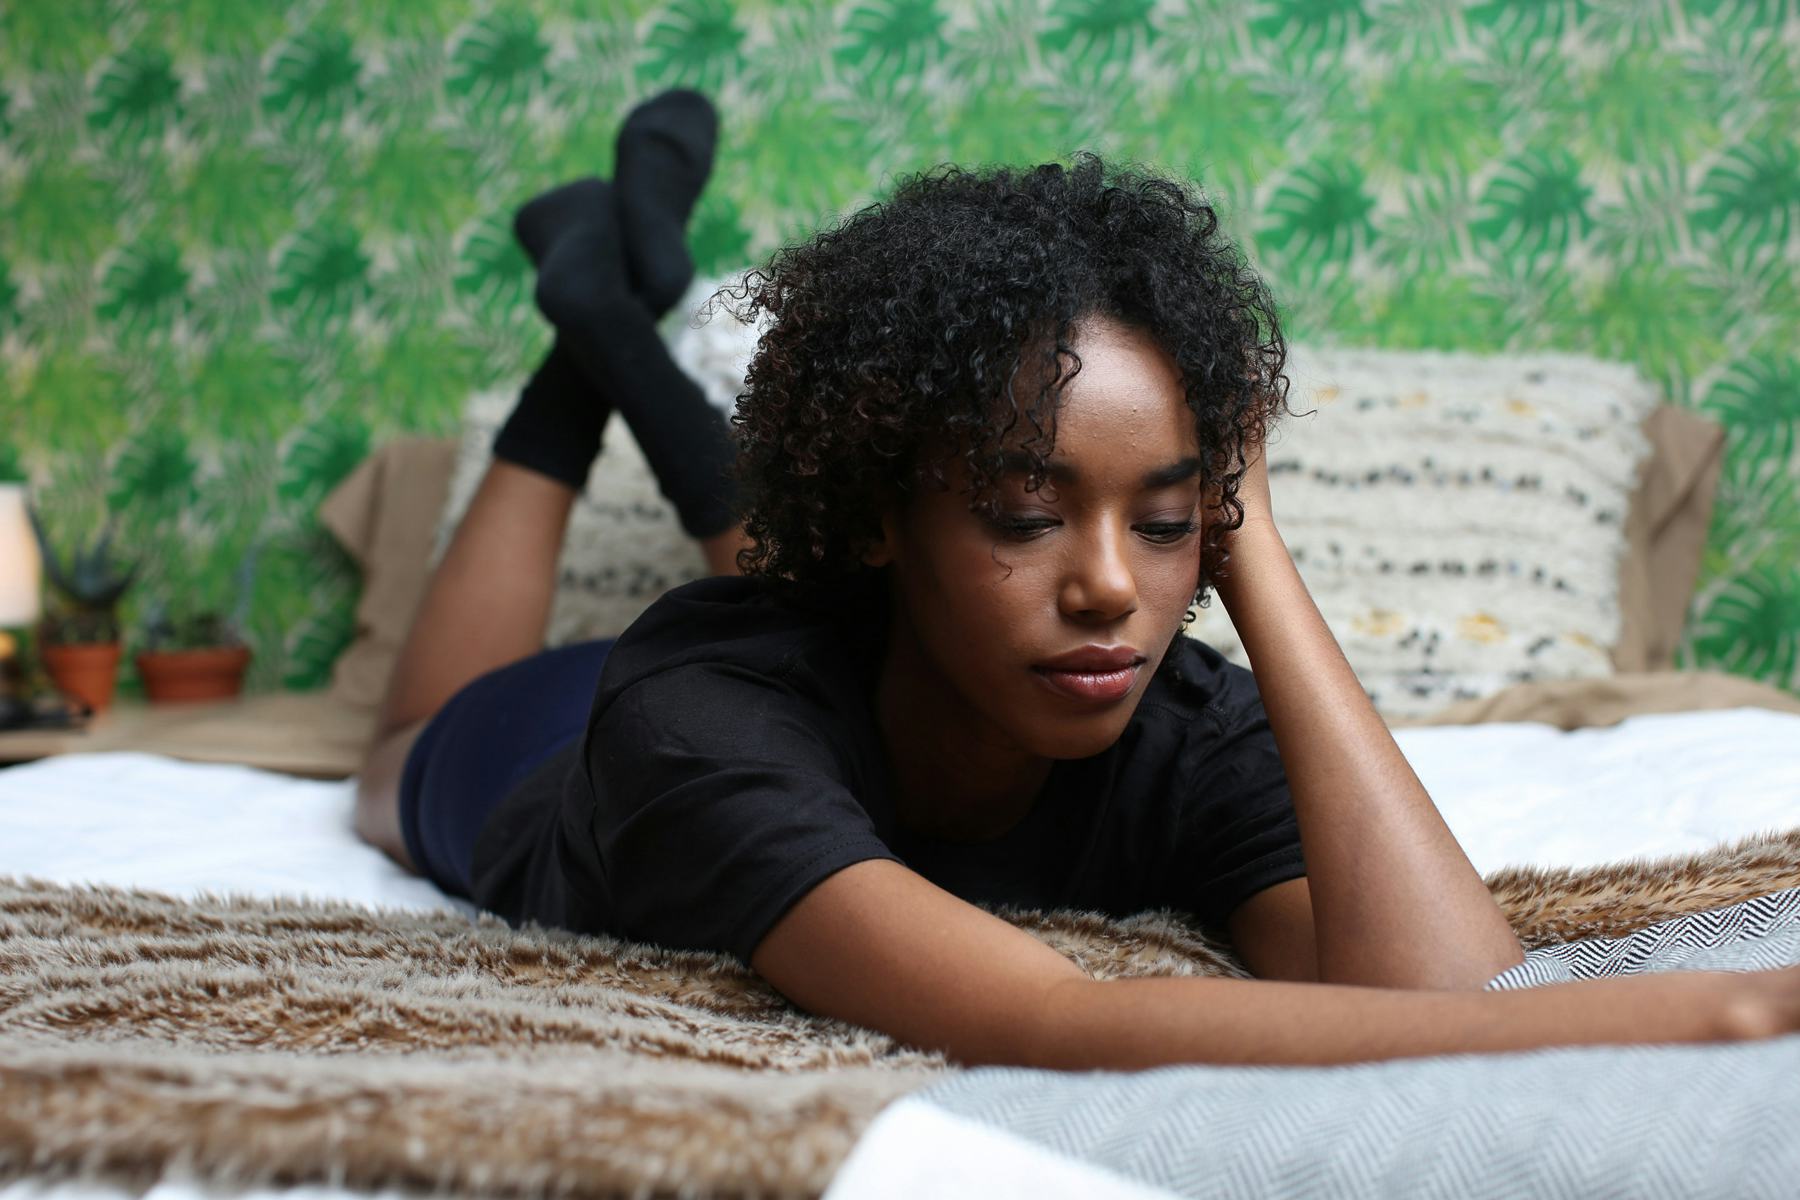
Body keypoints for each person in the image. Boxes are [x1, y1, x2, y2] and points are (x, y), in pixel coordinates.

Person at [353, 101, 1798, 1068]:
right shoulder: (696, 718)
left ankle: (605, 306)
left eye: (1168, 521)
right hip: (555, 748)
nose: (1113, 588)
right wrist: (1709, 1010)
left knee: (888, 602)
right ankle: (588, 343)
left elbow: (1435, 991)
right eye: (1029, 513)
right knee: (400, 757)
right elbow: (1055, 1015)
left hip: (856, 657)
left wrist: (1253, 550)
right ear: (880, 511)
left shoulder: (1164, 702)